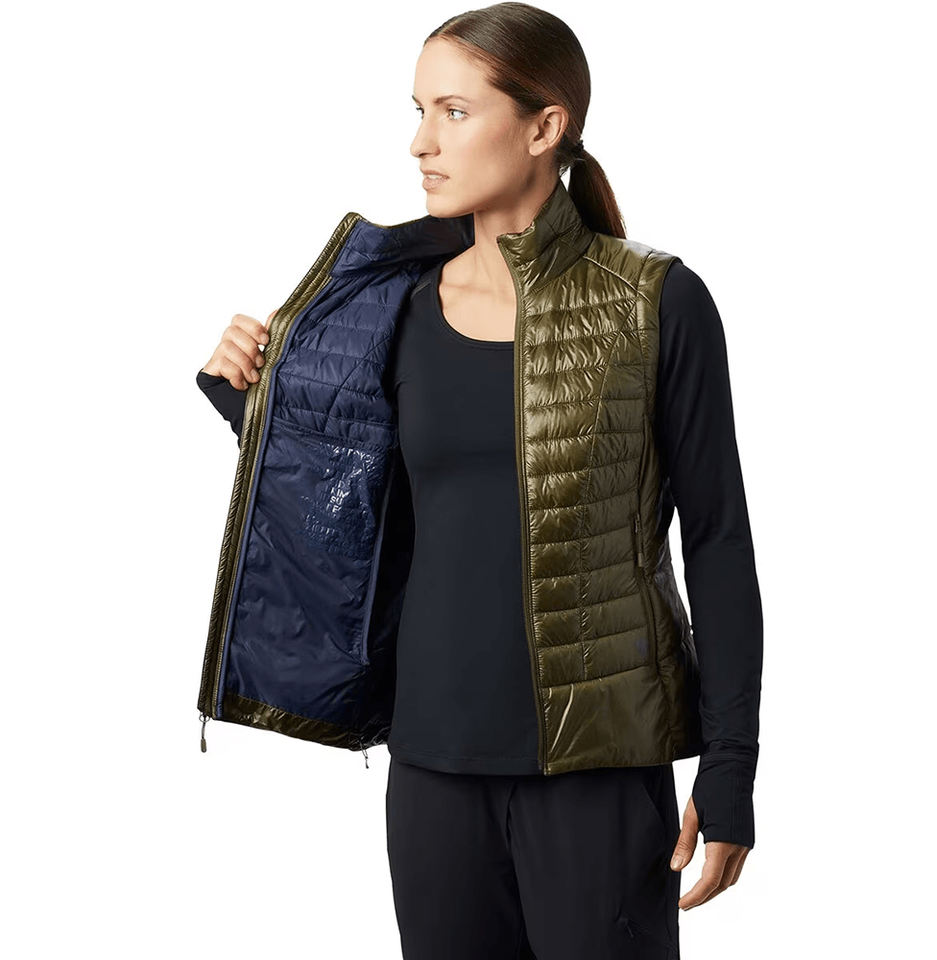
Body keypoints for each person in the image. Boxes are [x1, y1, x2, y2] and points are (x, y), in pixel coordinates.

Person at [195, 4, 763, 957]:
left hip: (598, 769)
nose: (421, 142)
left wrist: (731, 767)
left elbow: (718, 539)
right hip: (431, 768)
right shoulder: (397, 309)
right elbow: (362, 514)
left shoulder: (657, 302)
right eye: (419, 111)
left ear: (545, 127)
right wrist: (250, 409)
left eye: (454, 112)